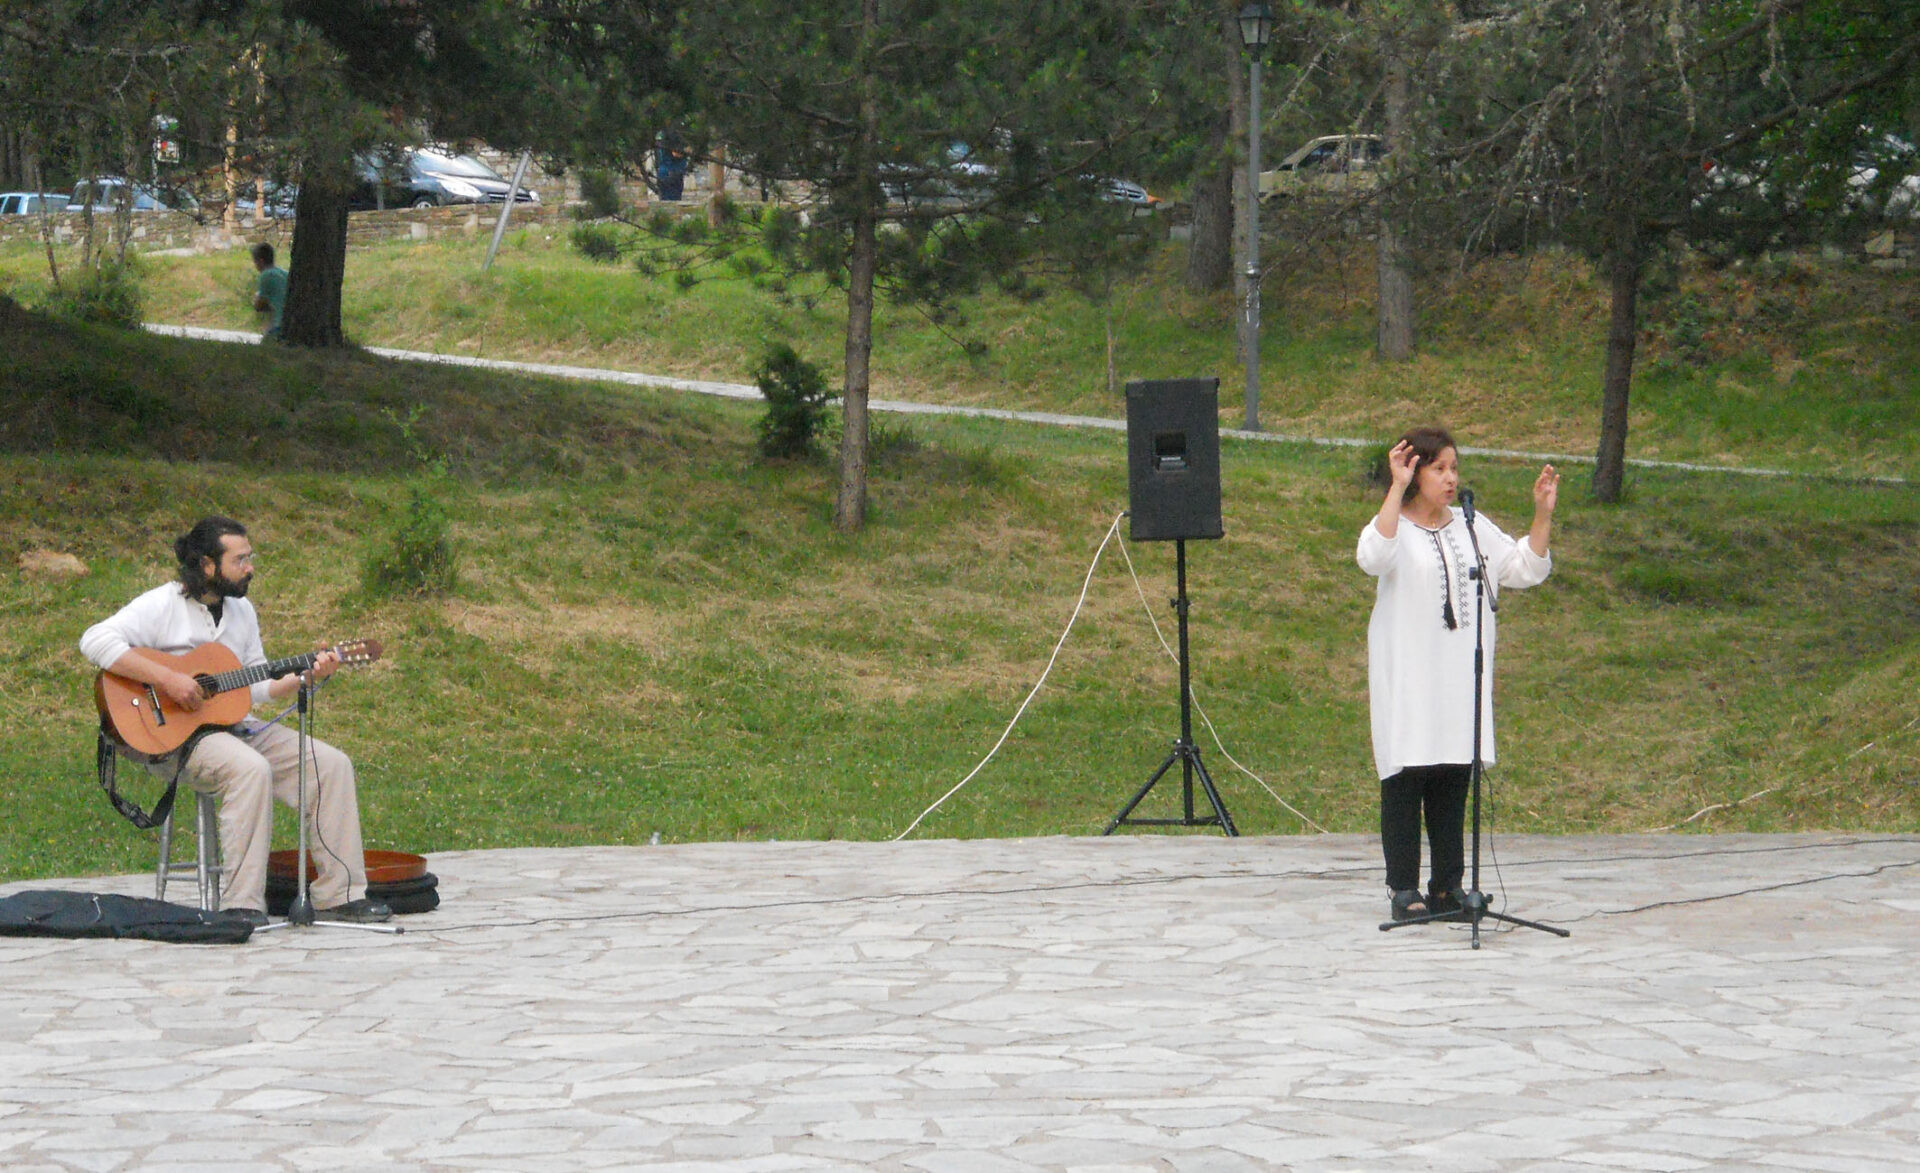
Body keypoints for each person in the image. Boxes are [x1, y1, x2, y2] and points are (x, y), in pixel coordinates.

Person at [80, 517, 390, 926]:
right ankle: (241, 904)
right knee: (249, 768)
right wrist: (170, 680)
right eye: (240, 559)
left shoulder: (242, 611)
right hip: (175, 740)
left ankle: (339, 895)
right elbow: (94, 640)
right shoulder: (162, 604)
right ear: (208, 565)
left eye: (250, 557)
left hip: (235, 726)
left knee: (331, 765)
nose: (250, 567)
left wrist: (306, 677)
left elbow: (255, 684)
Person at [1356, 427, 1559, 922]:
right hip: (1409, 674)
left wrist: (1542, 513)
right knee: (1406, 774)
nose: (1451, 478)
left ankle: (1447, 886)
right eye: (1439, 469)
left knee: (1452, 774)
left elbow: (1524, 568)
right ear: (1415, 473)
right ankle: (1403, 888)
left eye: (1454, 468)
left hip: (1458, 676)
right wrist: (1395, 488)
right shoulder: (1395, 526)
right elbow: (1372, 558)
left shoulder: (1471, 526)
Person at [250, 242, 287, 339]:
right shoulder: (284, 273)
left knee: (265, 345)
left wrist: (256, 297)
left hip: (279, 325)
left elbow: (259, 306)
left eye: (255, 262)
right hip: (290, 323)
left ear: (260, 261)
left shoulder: (266, 275)